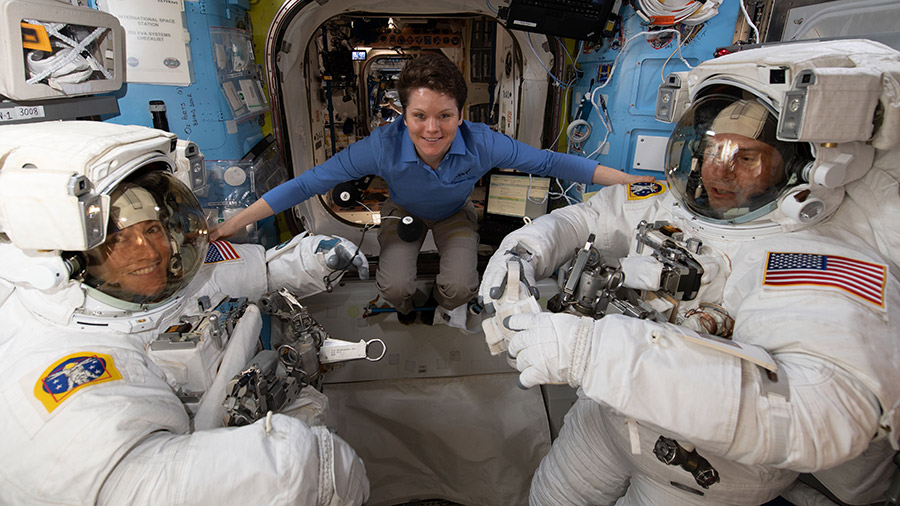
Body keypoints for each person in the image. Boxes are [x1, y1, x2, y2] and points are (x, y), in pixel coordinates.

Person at [479, 39, 900, 505]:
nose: (718, 172)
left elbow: (822, 413)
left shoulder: (818, 262)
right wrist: (519, 254)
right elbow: (582, 220)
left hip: (699, 471)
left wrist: (592, 353)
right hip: (608, 416)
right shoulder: (670, 202)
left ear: (799, 167)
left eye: (746, 158)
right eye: (712, 149)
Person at [0, 121, 370, 505]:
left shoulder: (181, 280)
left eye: (153, 230)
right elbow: (134, 486)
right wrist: (314, 470)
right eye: (119, 240)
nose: (148, 251)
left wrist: (316, 258)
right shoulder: (61, 362)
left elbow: (262, 270)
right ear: (69, 261)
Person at [212, 53, 653, 324]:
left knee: (462, 286)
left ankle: (443, 308)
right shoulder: (380, 149)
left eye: (444, 115)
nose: (432, 128)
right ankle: (410, 309)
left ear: (461, 113)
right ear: (402, 114)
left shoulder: (483, 142)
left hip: (455, 214)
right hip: (401, 213)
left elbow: (553, 161)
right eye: (419, 115)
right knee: (396, 288)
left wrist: (628, 182)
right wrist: (235, 223)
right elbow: (308, 184)